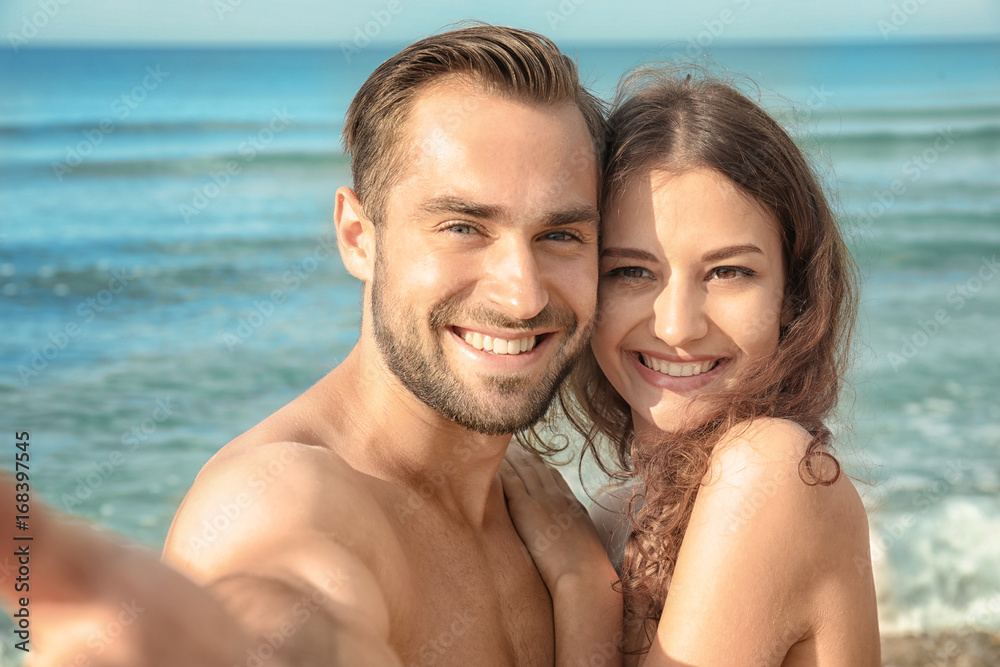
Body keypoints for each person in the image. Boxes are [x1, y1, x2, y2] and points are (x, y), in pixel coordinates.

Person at [0, 25, 622, 666]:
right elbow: (298, 601)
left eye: (560, 235)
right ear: (358, 236)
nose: (522, 296)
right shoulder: (284, 492)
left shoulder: (540, 517)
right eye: (463, 226)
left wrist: (588, 595)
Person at [502, 69, 880, 665]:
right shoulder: (612, 512)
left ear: (793, 294)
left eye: (728, 272)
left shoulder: (771, 470)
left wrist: (580, 584)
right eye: (631, 271)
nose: (677, 326)